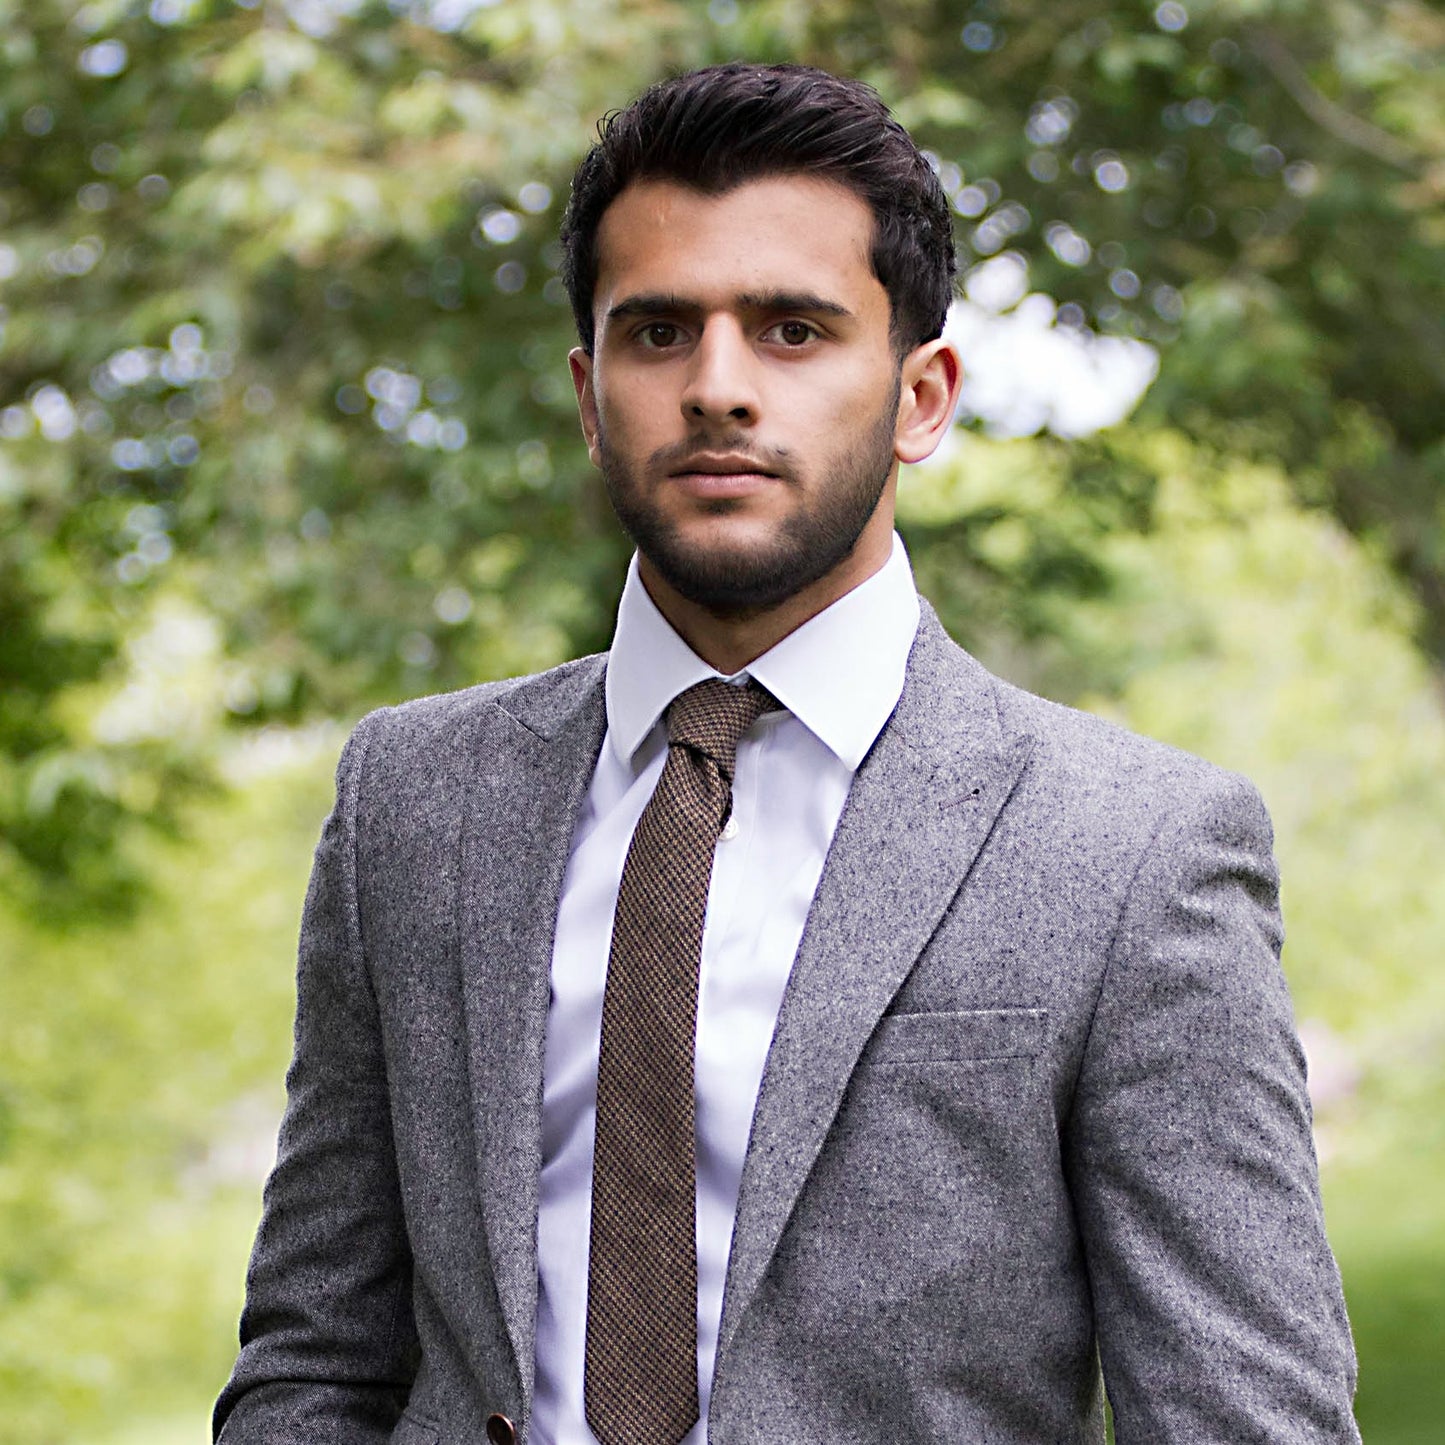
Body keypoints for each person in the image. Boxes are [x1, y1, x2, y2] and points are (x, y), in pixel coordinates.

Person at [214, 63, 1359, 1445]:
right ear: (588, 394)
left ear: (921, 395)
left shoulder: (1131, 849)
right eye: (656, 332)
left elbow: (1243, 1417)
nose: (715, 388)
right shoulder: (411, 798)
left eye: (792, 330)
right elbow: (316, 1353)